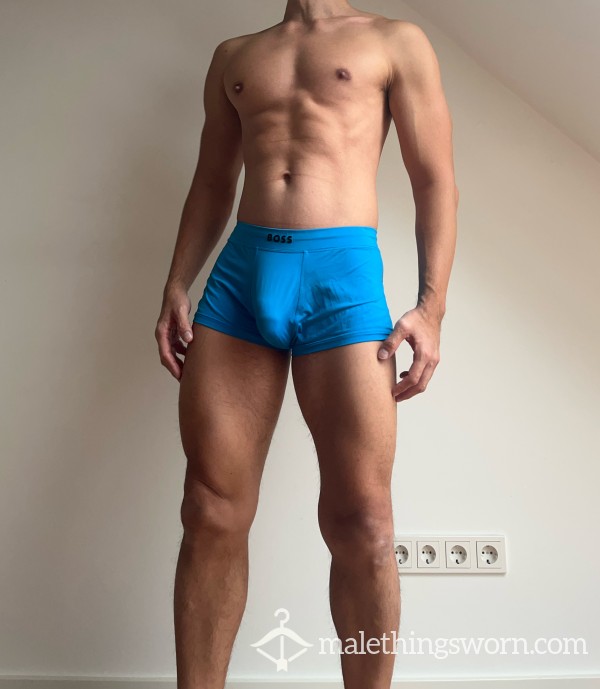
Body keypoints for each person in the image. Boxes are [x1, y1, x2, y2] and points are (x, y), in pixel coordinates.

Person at [155, 0, 458, 686]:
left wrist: (431, 308)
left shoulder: (395, 41)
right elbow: (213, 180)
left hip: (341, 280)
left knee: (364, 522)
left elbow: (435, 179)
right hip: (241, 277)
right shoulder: (235, 55)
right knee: (209, 508)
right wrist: (177, 281)